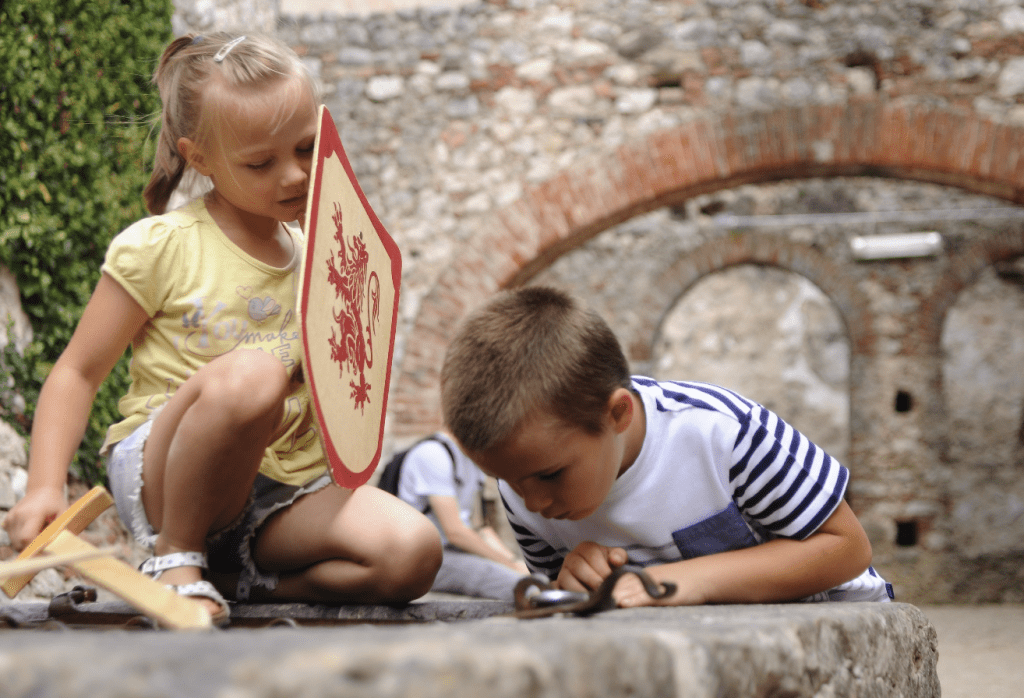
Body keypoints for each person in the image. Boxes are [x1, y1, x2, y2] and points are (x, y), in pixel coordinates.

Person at [2, 33, 441, 625]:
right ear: (200, 158)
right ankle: (175, 557)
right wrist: (42, 490)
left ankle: (240, 582)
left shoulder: (327, 259)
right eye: (261, 162)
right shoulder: (162, 245)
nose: (294, 175)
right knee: (255, 373)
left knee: (412, 553)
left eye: (308, 148)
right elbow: (77, 373)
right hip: (166, 471)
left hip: (277, 492)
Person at [439, 286, 893, 608]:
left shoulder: (719, 431)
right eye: (507, 482)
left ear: (618, 415)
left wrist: (681, 581)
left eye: (551, 475)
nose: (533, 502)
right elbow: (561, 591)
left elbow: (848, 548)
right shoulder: (525, 485)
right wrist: (573, 581)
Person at [395, 432, 528, 601]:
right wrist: (510, 566)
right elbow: (455, 532)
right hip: (424, 557)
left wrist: (514, 561)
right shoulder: (433, 454)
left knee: (525, 573)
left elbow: (480, 528)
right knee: (514, 582)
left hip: (457, 552)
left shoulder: (473, 459)